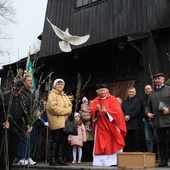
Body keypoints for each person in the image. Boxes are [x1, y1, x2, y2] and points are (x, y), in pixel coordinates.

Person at [89, 83, 127, 166]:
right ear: (98, 92)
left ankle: (113, 161)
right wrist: (96, 110)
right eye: (101, 90)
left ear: (107, 91)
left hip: (111, 125)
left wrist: (107, 112)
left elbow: (118, 111)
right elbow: (91, 111)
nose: (102, 92)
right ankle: (100, 162)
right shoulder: (95, 100)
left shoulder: (113, 99)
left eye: (104, 90)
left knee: (113, 142)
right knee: (101, 143)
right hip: (100, 125)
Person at [0, 79, 32, 170]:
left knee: (12, 151)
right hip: (4, 129)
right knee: (3, 151)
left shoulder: (24, 99)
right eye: (15, 89)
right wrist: (2, 124)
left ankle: (9, 167)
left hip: (17, 128)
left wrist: (29, 123)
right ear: (11, 87)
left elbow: (26, 114)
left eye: (19, 90)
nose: (17, 92)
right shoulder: (3, 97)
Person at [145, 73, 170, 167]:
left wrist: (169, 109)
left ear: (163, 80)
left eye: (159, 78)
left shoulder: (169, 89)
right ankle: (163, 161)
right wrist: (148, 113)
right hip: (158, 121)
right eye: (155, 79)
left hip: (168, 120)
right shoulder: (151, 93)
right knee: (161, 142)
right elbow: (147, 106)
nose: (157, 80)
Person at [46, 78, 72, 166]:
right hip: (56, 121)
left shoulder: (64, 95)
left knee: (63, 141)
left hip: (64, 121)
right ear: (55, 85)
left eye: (61, 84)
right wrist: (66, 111)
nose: (60, 86)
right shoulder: (52, 95)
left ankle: (60, 159)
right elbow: (53, 108)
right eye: (58, 84)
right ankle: (52, 159)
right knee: (55, 140)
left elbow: (70, 106)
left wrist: (67, 110)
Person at [17, 74, 38, 165]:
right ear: (24, 82)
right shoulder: (22, 92)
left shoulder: (33, 92)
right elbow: (24, 106)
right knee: (24, 138)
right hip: (25, 119)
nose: (31, 82)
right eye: (29, 80)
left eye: (31, 80)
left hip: (33, 119)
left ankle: (28, 156)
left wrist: (39, 110)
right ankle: (22, 157)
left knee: (31, 139)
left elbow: (38, 103)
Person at [122, 86, 143, 152]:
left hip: (135, 123)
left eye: (132, 92)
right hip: (126, 123)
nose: (131, 93)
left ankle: (136, 156)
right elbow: (121, 110)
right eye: (130, 92)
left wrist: (129, 116)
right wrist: (125, 116)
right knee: (127, 141)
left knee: (135, 140)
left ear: (135, 93)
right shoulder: (124, 101)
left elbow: (137, 110)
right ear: (127, 92)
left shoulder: (138, 100)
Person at [143, 85, 158, 155]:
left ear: (151, 89)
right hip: (147, 121)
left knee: (158, 139)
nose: (147, 90)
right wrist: (144, 116)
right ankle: (150, 156)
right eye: (146, 89)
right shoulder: (144, 99)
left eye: (148, 89)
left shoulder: (155, 97)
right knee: (148, 139)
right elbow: (142, 109)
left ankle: (160, 156)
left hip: (155, 120)